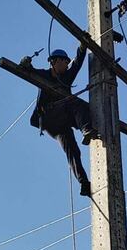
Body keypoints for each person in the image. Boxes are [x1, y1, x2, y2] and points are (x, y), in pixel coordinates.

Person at [20, 46, 99, 197]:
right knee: (75, 103)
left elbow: (77, 63)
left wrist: (82, 45)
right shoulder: (43, 75)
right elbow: (27, 70)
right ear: (54, 62)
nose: (67, 65)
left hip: (62, 122)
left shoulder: (67, 77)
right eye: (64, 62)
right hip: (49, 119)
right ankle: (86, 129)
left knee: (73, 151)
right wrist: (26, 63)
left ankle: (84, 184)